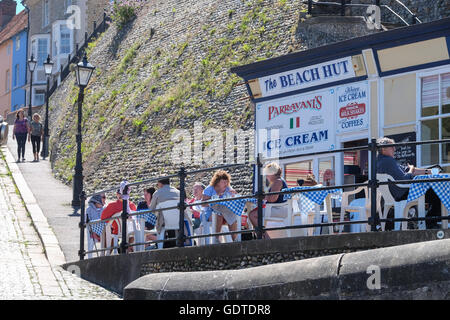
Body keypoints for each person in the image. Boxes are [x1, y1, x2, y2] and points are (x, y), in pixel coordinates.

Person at [376, 137, 440, 229]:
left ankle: (429, 222)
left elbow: (406, 170)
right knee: (436, 192)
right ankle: (430, 222)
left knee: (433, 192)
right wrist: (411, 169)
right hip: (402, 193)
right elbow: (405, 178)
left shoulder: (381, 161)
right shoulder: (389, 161)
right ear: (383, 148)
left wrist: (430, 171)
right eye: (392, 147)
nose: (394, 149)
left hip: (393, 194)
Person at [248, 162, 288, 239]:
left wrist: (262, 196)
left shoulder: (278, 181)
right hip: (280, 209)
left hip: (278, 210)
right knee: (254, 213)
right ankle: (262, 236)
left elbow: (273, 199)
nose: (266, 176)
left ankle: (265, 238)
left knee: (252, 215)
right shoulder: (279, 181)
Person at [202, 170, 238, 242]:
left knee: (232, 215)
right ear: (217, 182)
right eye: (223, 182)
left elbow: (234, 194)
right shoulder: (209, 189)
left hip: (224, 210)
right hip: (210, 212)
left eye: (227, 182)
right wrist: (215, 197)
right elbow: (203, 204)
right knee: (219, 215)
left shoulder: (227, 188)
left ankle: (235, 239)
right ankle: (216, 239)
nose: (226, 184)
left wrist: (234, 193)